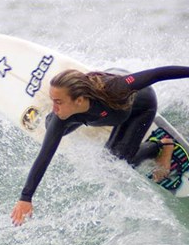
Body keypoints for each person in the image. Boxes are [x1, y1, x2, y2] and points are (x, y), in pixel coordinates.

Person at [11, 66, 189, 226]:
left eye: (58, 102)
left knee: (115, 162)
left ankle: (160, 145)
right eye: (54, 101)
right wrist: (25, 198)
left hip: (139, 107)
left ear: (79, 100)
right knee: (54, 126)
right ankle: (76, 118)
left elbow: (159, 74)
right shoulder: (64, 115)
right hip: (97, 101)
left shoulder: (116, 88)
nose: (54, 107)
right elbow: (45, 155)